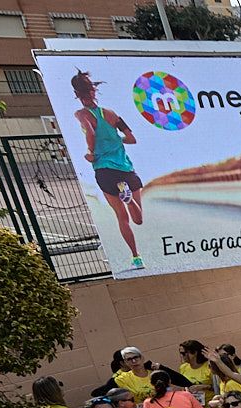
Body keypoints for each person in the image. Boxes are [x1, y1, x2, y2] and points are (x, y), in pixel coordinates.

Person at [69, 70, 146, 269]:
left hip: (104, 170)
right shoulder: (112, 114)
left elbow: (91, 131)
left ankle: (136, 257)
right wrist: (115, 139)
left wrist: (90, 152)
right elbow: (132, 139)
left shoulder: (81, 114)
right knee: (138, 219)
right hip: (125, 168)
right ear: (94, 91)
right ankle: (128, 198)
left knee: (122, 218)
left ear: (78, 94)